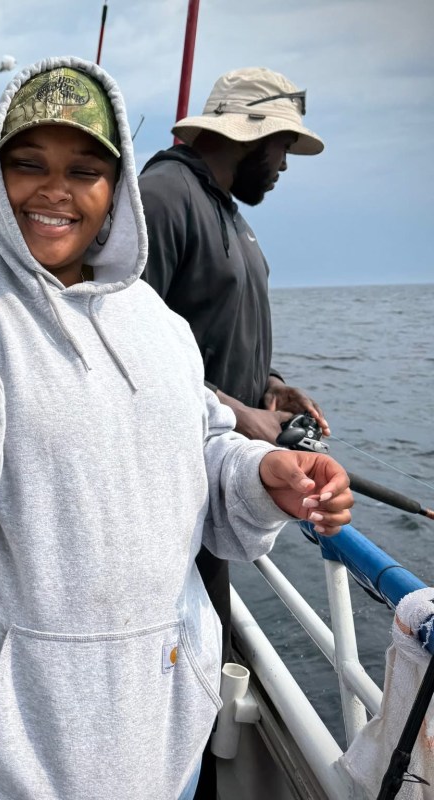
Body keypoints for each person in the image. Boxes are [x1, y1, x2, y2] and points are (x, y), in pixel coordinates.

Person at [0, 57, 352, 800]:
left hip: (160, 755)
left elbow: (200, 448)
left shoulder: (164, 328)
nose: (54, 189)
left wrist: (257, 476)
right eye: (27, 163)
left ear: (115, 189)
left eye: (85, 168)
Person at [138, 67, 330, 797]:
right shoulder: (165, 197)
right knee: (169, 668)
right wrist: (233, 409)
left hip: (217, 491)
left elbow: (209, 330)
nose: (282, 166)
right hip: (171, 495)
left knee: (200, 658)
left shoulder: (224, 209)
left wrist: (272, 388)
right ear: (247, 135)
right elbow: (117, 342)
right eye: (280, 147)